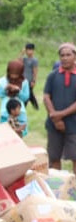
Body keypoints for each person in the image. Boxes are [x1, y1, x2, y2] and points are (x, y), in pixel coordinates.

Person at [43, 42, 76, 172]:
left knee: (75, 157)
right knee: (54, 157)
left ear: (74, 56)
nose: (65, 58)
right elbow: (46, 96)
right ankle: (56, 188)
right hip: (54, 125)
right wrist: (55, 118)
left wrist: (60, 114)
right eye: (62, 55)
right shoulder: (53, 75)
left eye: (68, 55)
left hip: (74, 125)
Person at [0, 60, 30, 126]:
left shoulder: (24, 82)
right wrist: (6, 88)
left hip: (19, 110)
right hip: (6, 110)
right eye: (11, 73)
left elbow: (26, 97)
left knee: (19, 127)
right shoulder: (4, 80)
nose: (13, 76)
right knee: (4, 128)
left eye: (16, 74)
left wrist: (18, 91)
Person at [22, 43, 39, 110]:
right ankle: (35, 106)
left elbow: (35, 71)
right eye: (27, 50)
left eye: (30, 50)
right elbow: (17, 60)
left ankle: (24, 106)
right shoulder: (24, 59)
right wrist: (22, 53)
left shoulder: (34, 60)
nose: (29, 52)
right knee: (29, 94)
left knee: (28, 94)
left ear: (33, 51)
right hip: (24, 80)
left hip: (30, 80)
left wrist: (34, 80)